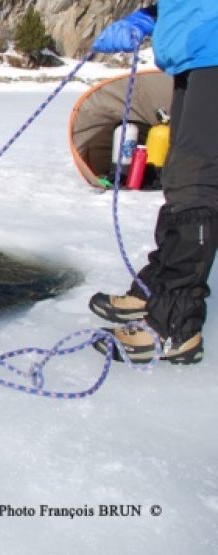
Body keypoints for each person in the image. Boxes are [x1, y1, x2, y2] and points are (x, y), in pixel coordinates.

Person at [89, 2, 217, 364]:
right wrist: (151, 15)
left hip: (212, 48)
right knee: (180, 178)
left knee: (199, 183)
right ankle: (156, 290)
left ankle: (175, 326)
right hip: (194, 52)